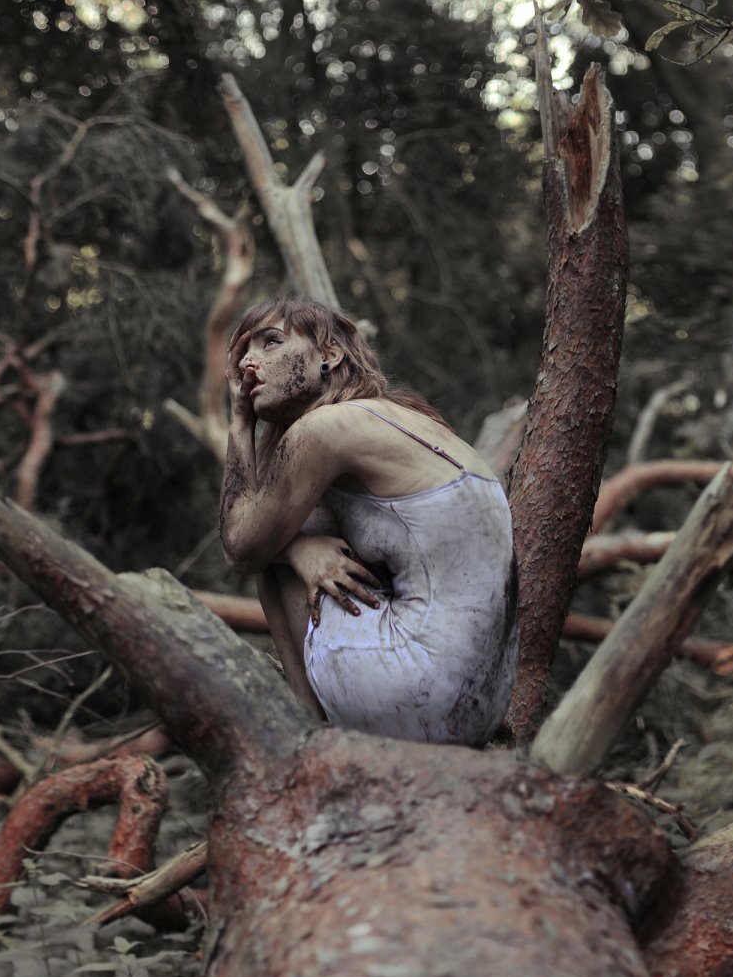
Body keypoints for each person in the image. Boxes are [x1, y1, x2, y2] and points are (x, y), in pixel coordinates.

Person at [217, 297, 517, 746]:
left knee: (271, 560)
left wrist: (240, 421)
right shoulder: (398, 418)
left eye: (271, 343)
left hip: (416, 693)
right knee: (290, 532)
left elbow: (240, 548)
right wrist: (296, 548)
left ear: (330, 354)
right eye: (244, 353)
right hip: (481, 705)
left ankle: (314, 745)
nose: (248, 364)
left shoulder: (325, 430)